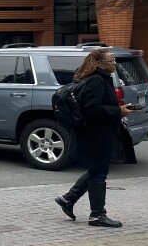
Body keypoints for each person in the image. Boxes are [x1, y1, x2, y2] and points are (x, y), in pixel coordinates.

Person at [55, 49, 137, 228]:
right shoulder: (96, 81)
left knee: (96, 169)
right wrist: (119, 112)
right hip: (95, 134)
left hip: (96, 133)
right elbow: (91, 108)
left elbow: (98, 105)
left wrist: (120, 109)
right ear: (100, 63)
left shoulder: (98, 79)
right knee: (99, 171)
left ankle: (68, 199)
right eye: (111, 60)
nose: (114, 63)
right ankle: (97, 215)